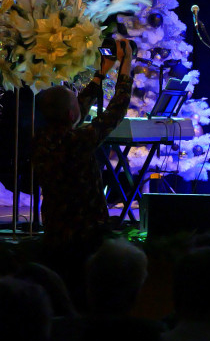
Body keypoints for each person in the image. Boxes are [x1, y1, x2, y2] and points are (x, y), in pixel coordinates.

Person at [32, 37, 135, 247]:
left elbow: (75, 108)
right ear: (71, 115)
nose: (81, 102)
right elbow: (115, 111)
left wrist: (101, 73)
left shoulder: (41, 138)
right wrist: (125, 67)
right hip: (85, 233)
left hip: (55, 229)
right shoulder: (76, 141)